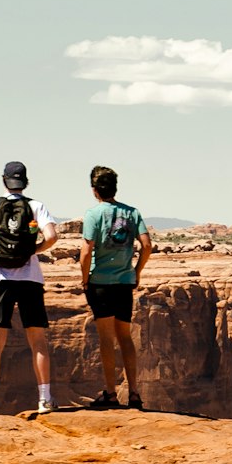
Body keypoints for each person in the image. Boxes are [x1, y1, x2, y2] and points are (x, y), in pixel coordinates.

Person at [0, 160, 59, 414]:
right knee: (37, 340)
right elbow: (52, 237)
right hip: (30, 279)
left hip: (1, 281)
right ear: (25, 182)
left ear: (4, 181)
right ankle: (44, 399)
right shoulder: (35, 206)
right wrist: (34, 250)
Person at [80, 164, 152, 410]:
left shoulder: (93, 215)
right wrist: (136, 271)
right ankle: (134, 394)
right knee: (125, 337)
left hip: (100, 283)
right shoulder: (132, 213)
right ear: (114, 187)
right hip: (124, 283)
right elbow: (147, 245)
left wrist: (84, 278)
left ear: (94, 190)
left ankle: (110, 394)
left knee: (106, 339)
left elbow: (86, 251)